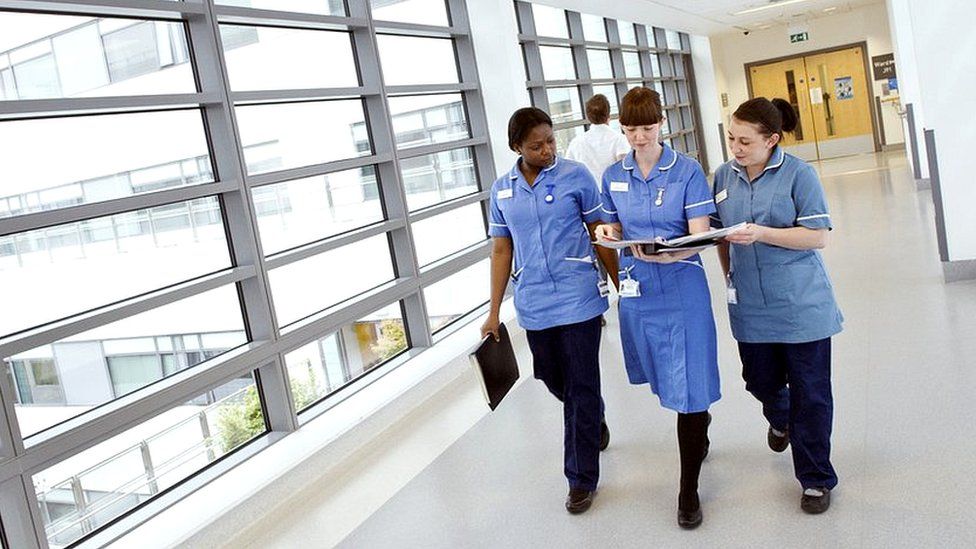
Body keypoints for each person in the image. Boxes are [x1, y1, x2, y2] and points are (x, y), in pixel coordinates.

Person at [481, 107, 619, 515]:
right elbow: (501, 249)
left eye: (551, 141)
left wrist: (620, 286)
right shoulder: (501, 190)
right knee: (551, 376)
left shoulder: (576, 176)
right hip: (534, 303)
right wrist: (493, 313)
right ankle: (593, 416)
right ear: (516, 147)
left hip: (579, 297)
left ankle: (580, 480)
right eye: (536, 145)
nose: (547, 150)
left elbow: (600, 235)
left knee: (580, 384)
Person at [593, 87, 719, 529]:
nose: (639, 138)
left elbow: (699, 234)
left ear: (661, 124)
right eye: (630, 130)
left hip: (682, 286)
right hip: (639, 292)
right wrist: (610, 235)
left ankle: (688, 491)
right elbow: (610, 225)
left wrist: (669, 254)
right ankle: (699, 428)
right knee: (667, 377)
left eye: (646, 128)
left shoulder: (685, 171)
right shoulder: (613, 174)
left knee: (690, 383)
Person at [712, 97, 844, 514]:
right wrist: (727, 273)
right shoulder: (722, 176)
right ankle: (781, 415)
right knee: (759, 380)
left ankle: (815, 479)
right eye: (732, 138)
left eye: (746, 141)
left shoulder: (798, 174)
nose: (736, 147)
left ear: (771, 139)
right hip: (750, 302)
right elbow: (717, 234)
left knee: (813, 393)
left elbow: (816, 236)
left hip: (800, 303)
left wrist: (762, 233)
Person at [566, 94, 630, 327]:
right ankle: (625, 293)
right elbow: (627, 168)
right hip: (614, 202)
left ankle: (598, 307)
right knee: (620, 249)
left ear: (587, 115)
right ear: (609, 113)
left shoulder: (577, 142)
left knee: (595, 256)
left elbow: (569, 170)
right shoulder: (617, 139)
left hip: (586, 206)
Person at [565, 94, 630, 184]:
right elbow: (625, 169)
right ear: (608, 115)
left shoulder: (576, 142)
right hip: (613, 192)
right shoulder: (619, 139)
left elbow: (568, 171)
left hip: (588, 193)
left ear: (588, 117)